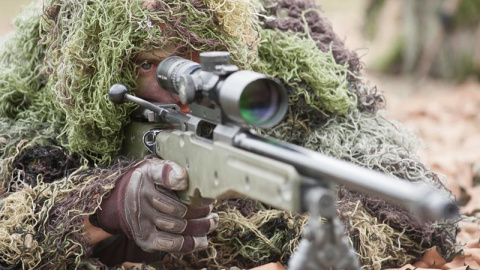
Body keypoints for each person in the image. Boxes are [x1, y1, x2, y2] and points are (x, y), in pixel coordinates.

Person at [0, 0, 457, 269]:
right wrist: (104, 208)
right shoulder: (47, 69)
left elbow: (403, 196)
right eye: (145, 63)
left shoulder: (289, 42)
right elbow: (13, 211)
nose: (178, 87)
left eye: (196, 53)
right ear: (93, 74)